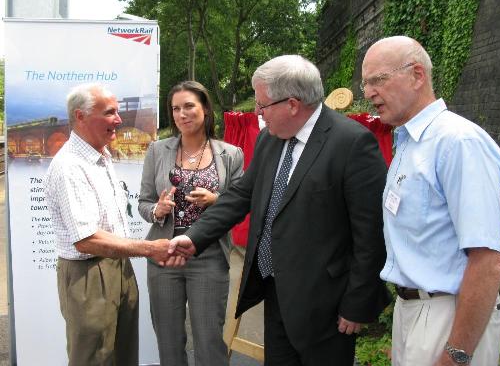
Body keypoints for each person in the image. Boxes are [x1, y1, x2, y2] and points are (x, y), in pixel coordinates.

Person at [167, 55, 390, 365]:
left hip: (325, 305)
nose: (257, 113)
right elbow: (242, 195)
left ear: (293, 104)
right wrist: (194, 237)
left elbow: (371, 233)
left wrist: (357, 303)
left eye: (262, 105)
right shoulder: (270, 140)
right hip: (275, 292)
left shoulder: (351, 143)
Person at [361, 36, 500, 365]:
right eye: (365, 82)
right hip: (413, 311)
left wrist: (456, 353)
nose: (368, 92)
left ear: (417, 75)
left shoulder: (458, 142)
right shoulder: (410, 142)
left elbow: (487, 261)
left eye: (378, 80)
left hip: (448, 314)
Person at [44, 83, 172, 366]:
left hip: (117, 267)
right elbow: (87, 239)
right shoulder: (70, 166)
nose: (119, 119)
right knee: (95, 358)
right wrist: (149, 249)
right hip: (89, 274)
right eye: (110, 112)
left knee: (123, 353)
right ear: (80, 116)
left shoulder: (99, 155)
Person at [138, 81, 244, 366]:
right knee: (169, 340)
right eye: (175, 108)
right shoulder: (157, 151)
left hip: (208, 254)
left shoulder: (231, 154)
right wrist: (157, 210)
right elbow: (143, 203)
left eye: (189, 106)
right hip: (164, 253)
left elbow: (240, 204)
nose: (182, 114)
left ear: (205, 109)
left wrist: (216, 199)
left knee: (209, 340)